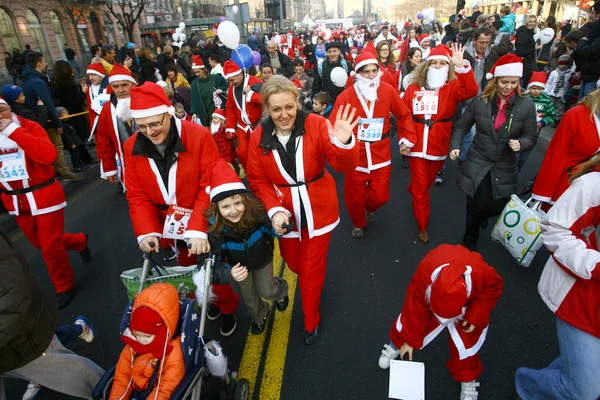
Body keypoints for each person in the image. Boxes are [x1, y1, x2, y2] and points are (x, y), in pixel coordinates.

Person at [247, 76, 359, 344]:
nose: (283, 114)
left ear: (297, 102)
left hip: (318, 208)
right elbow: (257, 179)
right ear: (267, 110)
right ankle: (295, 288)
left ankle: (311, 321)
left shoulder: (317, 124)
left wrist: (343, 142)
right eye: (276, 109)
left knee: (310, 273)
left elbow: (342, 166)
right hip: (284, 211)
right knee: (295, 264)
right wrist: (273, 209)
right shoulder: (258, 136)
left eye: (289, 107)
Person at [123, 82, 240, 336]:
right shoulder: (132, 146)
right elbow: (137, 194)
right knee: (189, 270)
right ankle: (207, 300)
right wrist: (146, 231)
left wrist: (198, 229)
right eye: (142, 126)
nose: (150, 132)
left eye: (155, 124)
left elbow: (207, 184)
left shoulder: (198, 135)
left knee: (210, 266)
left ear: (168, 112)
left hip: (200, 216)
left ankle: (229, 307)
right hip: (169, 223)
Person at [514, 159, 600, 400]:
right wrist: (543, 191)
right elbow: (555, 229)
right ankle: (526, 387)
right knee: (585, 391)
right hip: (582, 298)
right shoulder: (593, 185)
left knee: (580, 371)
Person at [377, 244, 503, 400]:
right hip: (442, 300)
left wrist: (475, 314)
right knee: (411, 318)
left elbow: (493, 288)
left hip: (468, 307)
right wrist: (410, 340)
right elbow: (415, 306)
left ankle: (467, 377)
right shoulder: (426, 272)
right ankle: (397, 343)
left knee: (467, 343)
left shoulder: (480, 272)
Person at [0, 97, 91, 308]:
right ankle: (79, 242)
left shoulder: (28, 127)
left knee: (50, 247)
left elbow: (48, 155)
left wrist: (14, 132)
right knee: (40, 244)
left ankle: (64, 286)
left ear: (10, 109)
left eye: (2, 110)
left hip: (43, 195)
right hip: (17, 200)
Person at [0, 227, 103, 400]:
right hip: (16, 335)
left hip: (20, 334)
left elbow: (12, 297)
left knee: (49, 244)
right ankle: (78, 329)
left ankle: (121, 391)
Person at [449, 54, 538, 249]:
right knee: (473, 205)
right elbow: (461, 127)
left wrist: (521, 144)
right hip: (478, 159)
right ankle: (469, 240)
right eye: (504, 82)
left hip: (504, 162)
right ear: (496, 80)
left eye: (513, 82)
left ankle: (482, 216)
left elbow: (532, 136)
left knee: (497, 205)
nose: (508, 87)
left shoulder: (526, 105)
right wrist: (455, 146)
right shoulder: (481, 101)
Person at [399, 44, 478, 244]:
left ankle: (417, 192)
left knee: (425, 184)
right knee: (421, 189)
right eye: (433, 62)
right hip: (416, 144)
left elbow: (471, 90)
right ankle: (422, 224)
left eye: (442, 63)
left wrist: (462, 68)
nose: (437, 66)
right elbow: (403, 115)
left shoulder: (452, 87)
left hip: (438, 145)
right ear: (426, 65)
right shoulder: (414, 87)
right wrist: (404, 139)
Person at [331, 51, 414, 238]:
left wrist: (406, 138)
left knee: (381, 196)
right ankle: (358, 223)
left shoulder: (387, 90)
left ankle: (370, 208)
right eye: (365, 72)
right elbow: (333, 126)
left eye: (373, 71)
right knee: (354, 199)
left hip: (381, 153)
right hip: (355, 156)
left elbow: (404, 114)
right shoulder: (345, 97)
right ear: (357, 74)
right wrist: (340, 145)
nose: (370, 76)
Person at [205, 159, 289, 334]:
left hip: (262, 258)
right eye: (226, 206)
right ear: (217, 208)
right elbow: (212, 263)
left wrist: (279, 227)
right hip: (238, 267)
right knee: (249, 298)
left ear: (245, 200)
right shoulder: (216, 230)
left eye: (237, 203)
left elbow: (271, 227)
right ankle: (260, 316)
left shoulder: (256, 212)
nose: (233, 210)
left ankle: (279, 292)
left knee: (267, 290)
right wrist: (229, 273)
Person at [109, 284, 185, 399]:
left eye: (147, 336)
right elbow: (122, 378)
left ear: (161, 331)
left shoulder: (172, 349)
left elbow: (168, 384)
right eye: (137, 334)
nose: (141, 340)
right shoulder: (132, 345)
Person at [531, 88, 600, 206]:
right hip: (563, 192)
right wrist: (542, 194)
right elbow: (556, 155)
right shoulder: (577, 114)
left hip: (590, 201)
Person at [21, 52, 83, 182]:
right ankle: (64, 172)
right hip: (47, 119)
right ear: (39, 64)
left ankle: (56, 171)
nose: (45, 64)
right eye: (44, 62)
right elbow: (47, 102)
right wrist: (58, 122)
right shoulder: (38, 82)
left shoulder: (27, 80)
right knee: (57, 146)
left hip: (39, 118)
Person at [95, 64, 137, 188]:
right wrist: (109, 168)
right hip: (129, 164)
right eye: (115, 86)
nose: (120, 90)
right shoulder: (107, 109)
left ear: (133, 84)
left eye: (124, 85)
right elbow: (104, 140)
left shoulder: (147, 100)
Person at [50, 60, 94, 161]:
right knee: (77, 136)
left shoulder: (57, 83)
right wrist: (83, 92)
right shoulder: (64, 85)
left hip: (68, 113)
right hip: (73, 113)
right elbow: (75, 100)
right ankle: (84, 158)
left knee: (75, 137)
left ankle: (84, 158)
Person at [224, 60, 263, 170]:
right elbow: (230, 108)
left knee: (259, 153)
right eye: (229, 80)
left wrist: (250, 95)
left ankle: (261, 175)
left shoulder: (255, 82)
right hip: (243, 126)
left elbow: (265, 100)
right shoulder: (231, 88)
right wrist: (230, 127)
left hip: (258, 125)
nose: (231, 83)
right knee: (242, 153)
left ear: (240, 74)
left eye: (232, 80)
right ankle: (249, 175)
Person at [521, 71, 555, 172]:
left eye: (539, 89)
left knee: (523, 158)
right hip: (519, 132)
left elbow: (551, 116)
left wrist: (542, 123)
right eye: (534, 88)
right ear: (529, 87)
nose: (536, 91)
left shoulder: (546, 100)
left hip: (533, 134)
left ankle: (516, 175)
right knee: (514, 157)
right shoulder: (523, 97)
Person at [190, 55, 228, 127]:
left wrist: (221, 89)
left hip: (217, 111)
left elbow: (225, 85)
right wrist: (194, 112)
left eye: (198, 72)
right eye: (195, 73)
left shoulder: (215, 78)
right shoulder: (195, 84)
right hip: (205, 112)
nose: (197, 74)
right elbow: (194, 98)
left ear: (203, 69)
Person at [574, 1, 600, 100]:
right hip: (588, 73)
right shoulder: (594, 29)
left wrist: (582, 42)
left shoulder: (597, 31)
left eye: (593, 13)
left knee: (587, 104)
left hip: (593, 75)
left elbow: (590, 52)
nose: (591, 16)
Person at [56, 107, 89, 172]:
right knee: (74, 155)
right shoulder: (64, 125)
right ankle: (76, 165)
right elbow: (67, 136)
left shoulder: (70, 121)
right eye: (64, 113)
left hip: (75, 141)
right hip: (72, 143)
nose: (66, 114)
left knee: (78, 154)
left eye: (66, 112)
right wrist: (71, 143)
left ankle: (80, 164)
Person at [544, 55, 573, 127]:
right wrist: (546, 92)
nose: (562, 66)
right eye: (561, 64)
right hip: (552, 93)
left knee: (559, 108)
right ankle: (548, 118)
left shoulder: (569, 74)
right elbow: (549, 83)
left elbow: (569, 84)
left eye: (565, 64)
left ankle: (556, 120)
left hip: (562, 93)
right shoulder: (554, 72)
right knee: (550, 106)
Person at [209, 109, 239, 174]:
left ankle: (235, 169)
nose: (214, 120)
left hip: (227, 148)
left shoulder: (224, 127)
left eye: (216, 118)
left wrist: (232, 135)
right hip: (219, 148)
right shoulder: (212, 127)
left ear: (221, 119)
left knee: (231, 160)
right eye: (213, 118)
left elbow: (233, 136)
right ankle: (229, 173)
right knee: (224, 162)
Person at [84, 63, 111, 135]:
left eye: (93, 74)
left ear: (101, 74)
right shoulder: (89, 89)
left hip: (111, 122)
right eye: (89, 75)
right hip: (97, 126)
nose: (91, 78)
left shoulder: (111, 85)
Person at [515, 15, 538, 88]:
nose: (532, 23)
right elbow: (521, 51)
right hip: (523, 63)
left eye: (534, 21)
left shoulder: (530, 33)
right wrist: (535, 48)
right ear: (526, 22)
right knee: (521, 84)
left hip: (527, 63)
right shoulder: (523, 33)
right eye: (530, 21)